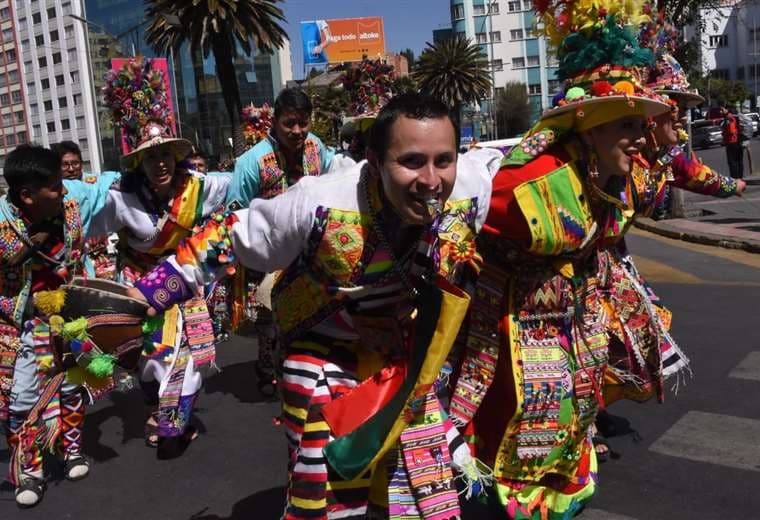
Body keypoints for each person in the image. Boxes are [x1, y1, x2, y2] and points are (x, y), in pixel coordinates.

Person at [131, 93, 503, 518]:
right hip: (320, 346)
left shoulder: (471, 188)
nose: (432, 180)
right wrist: (146, 296)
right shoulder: (317, 202)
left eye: (444, 159)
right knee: (326, 481)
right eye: (412, 161)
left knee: (420, 478)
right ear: (375, 161)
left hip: (398, 349)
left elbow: (512, 169)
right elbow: (229, 236)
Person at [446, 3, 681, 517]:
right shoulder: (534, 180)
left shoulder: (610, 175)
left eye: (642, 124)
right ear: (590, 128)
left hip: (570, 326)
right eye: (627, 124)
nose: (642, 137)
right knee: (514, 442)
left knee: (569, 433)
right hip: (510, 335)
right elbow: (470, 213)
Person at [88, 121, 232, 457]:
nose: (160, 163)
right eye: (151, 157)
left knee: (183, 357)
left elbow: (240, 184)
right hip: (140, 289)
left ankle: (172, 426)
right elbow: (83, 211)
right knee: (147, 358)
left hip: (183, 284)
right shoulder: (121, 196)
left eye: (165, 154)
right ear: (140, 163)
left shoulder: (196, 187)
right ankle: (160, 415)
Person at [0, 144, 118, 507]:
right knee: (22, 398)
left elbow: (78, 254)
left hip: (68, 317)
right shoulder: (3, 224)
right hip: (20, 324)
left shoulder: (70, 209)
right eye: (54, 185)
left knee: (71, 386)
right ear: (27, 195)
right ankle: (30, 471)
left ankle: (71, 452)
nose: (64, 190)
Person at [225, 87, 338, 394]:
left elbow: (331, 186)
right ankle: (266, 369)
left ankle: (308, 369)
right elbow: (235, 211)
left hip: (311, 251)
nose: (297, 131)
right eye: (290, 123)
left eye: (303, 122)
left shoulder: (318, 148)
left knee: (315, 314)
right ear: (274, 122)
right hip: (270, 254)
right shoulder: (251, 162)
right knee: (268, 317)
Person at [722, 106, 745, 179]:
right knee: (739, 161)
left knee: (732, 162)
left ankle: (735, 178)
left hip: (732, 142)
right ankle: (740, 177)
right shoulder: (737, 117)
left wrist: (724, 133)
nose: (721, 111)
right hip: (739, 141)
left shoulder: (730, 118)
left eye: (723, 109)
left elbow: (731, 131)